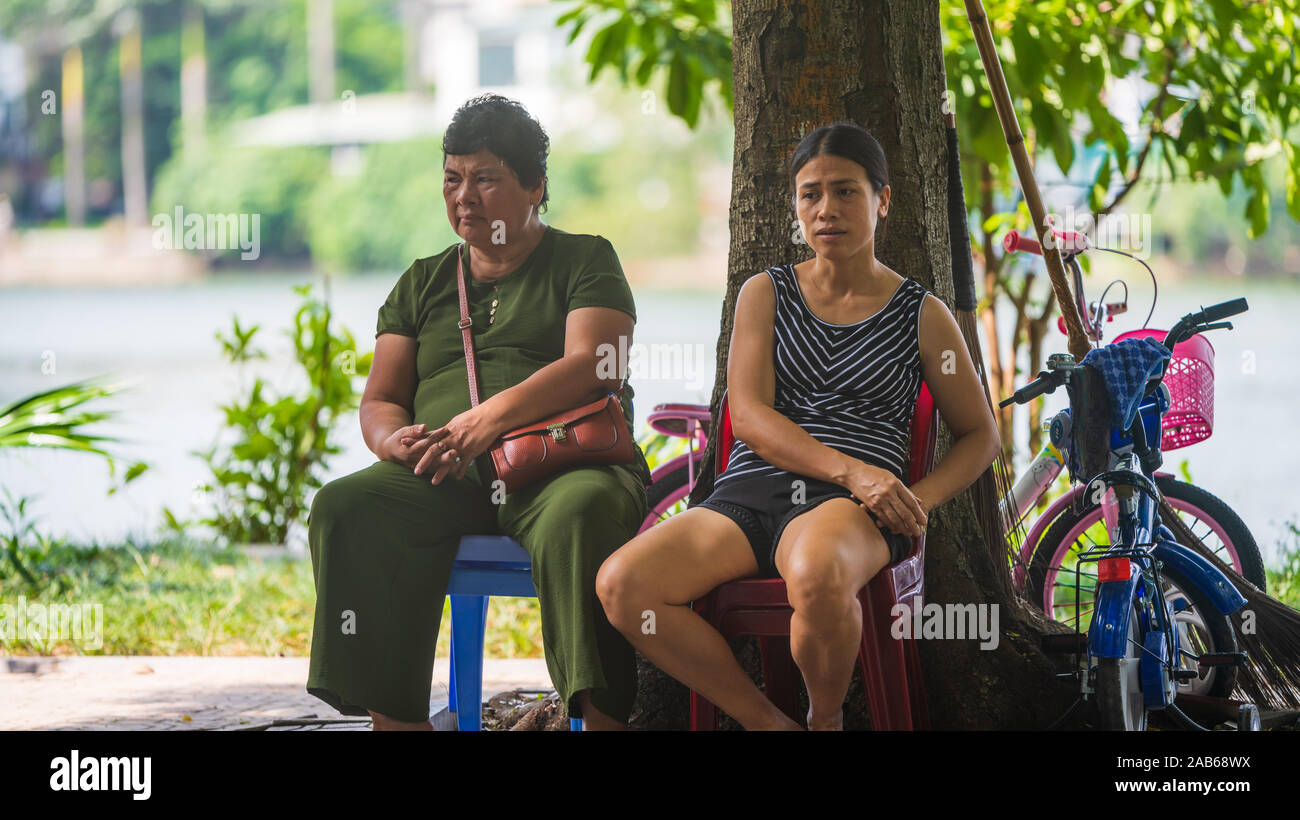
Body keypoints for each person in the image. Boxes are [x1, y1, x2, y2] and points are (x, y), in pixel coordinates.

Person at [597, 122, 1001, 730]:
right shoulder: (765, 294)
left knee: (815, 572)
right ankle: (768, 724)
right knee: (623, 584)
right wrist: (853, 470)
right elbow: (751, 416)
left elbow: (981, 435)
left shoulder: (923, 313)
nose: (826, 209)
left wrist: (912, 501)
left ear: (882, 200)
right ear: (795, 207)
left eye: (846, 192)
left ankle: (825, 719)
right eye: (810, 194)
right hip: (752, 492)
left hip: (848, 509)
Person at [306, 94, 651, 731]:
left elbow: (598, 365)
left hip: (564, 466)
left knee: (583, 514)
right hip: (446, 472)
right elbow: (380, 399)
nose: (464, 195)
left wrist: (485, 422)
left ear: (534, 186)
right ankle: (397, 722)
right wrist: (392, 442)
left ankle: (602, 720)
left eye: (485, 178)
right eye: (452, 178)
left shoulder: (585, 260)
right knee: (346, 507)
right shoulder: (421, 281)